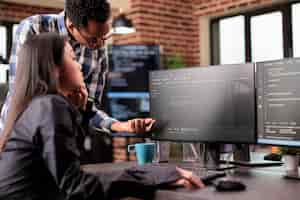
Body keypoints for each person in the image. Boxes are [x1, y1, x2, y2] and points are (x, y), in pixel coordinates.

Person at [0, 33, 204, 200]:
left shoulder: (39, 106)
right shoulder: (50, 106)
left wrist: (79, 111)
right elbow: (76, 187)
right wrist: (150, 177)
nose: (79, 65)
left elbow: (69, 173)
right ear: (55, 70)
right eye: (72, 58)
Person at [0, 0, 155, 135]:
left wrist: (121, 126)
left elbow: (89, 108)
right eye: (93, 39)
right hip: (19, 132)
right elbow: (23, 93)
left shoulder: (98, 48)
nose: (100, 45)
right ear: (71, 26)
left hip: (60, 133)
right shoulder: (35, 28)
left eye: (105, 37)